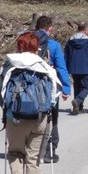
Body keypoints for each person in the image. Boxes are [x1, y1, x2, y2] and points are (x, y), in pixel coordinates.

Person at [1, 32, 61, 174]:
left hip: (16, 118)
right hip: (39, 119)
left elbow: (3, 93)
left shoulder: (11, 65)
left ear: (19, 46)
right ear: (37, 47)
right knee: (34, 158)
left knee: (15, 152)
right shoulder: (46, 68)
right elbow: (54, 94)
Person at [34, 16, 71, 163]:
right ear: (50, 28)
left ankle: (31, 148)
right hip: (49, 87)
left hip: (28, 87)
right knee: (52, 117)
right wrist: (66, 87)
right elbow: (61, 68)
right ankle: (50, 151)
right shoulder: (53, 45)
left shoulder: (28, 42)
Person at [64, 22, 88, 115]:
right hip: (85, 67)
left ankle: (78, 108)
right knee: (85, 88)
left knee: (77, 87)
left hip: (73, 67)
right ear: (85, 30)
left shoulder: (70, 40)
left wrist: (67, 66)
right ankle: (78, 101)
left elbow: (66, 54)